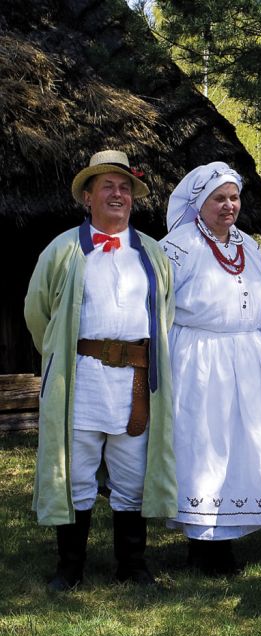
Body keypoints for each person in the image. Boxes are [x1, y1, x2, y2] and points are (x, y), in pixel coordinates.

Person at [24, 149, 176, 590]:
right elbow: (39, 315)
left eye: (125, 187)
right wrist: (64, 359)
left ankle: (132, 565)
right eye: (107, 186)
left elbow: (163, 314)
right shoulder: (64, 250)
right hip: (82, 376)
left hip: (134, 381)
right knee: (76, 469)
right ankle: (69, 568)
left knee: (132, 471)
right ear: (86, 197)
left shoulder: (151, 252)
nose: (118, 194)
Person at [160, 162, 261, 574]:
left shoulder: (249, 245)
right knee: (204, 445)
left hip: (245, 356)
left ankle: (230, 536)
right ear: (200, 203)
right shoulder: (177, 246)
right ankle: (203, 542)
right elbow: (158, 306)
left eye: (234, 197)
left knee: (243, 447)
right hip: (200, 357)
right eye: (219, 198)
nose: (229, 205)